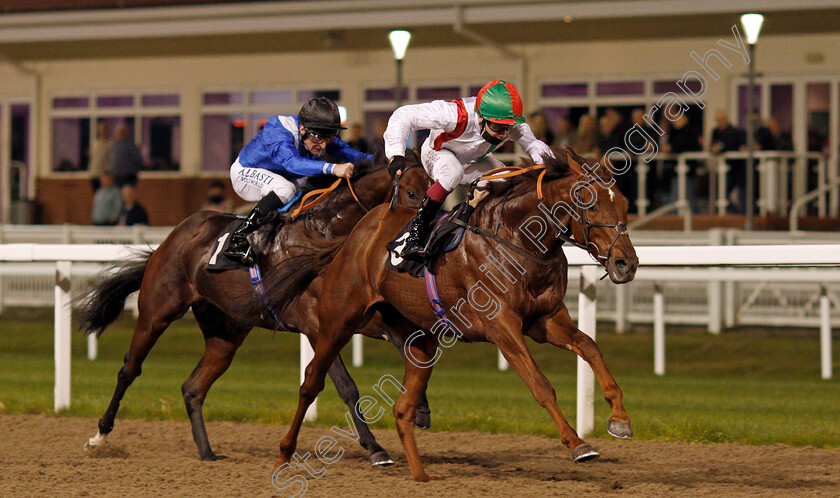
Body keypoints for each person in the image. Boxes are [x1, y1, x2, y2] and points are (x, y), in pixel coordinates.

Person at [384, 79, 552, 261]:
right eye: (497, 127)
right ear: (480, 117)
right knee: (453, 173)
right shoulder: (454, 114)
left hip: (474, 160)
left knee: (505, 178)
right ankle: (415, 234)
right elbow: (403, 115)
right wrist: (396, 154)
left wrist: (548, 168)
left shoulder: (511, 123)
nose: (504, 134)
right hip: (438, 152)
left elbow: (534, 145)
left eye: (507, 128)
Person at [224, 97, 373, 265]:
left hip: (283, 175)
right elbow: (292, 163)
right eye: (318, 138)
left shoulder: (316, 132)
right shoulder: (278, 130)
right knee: (286, 189)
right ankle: (239, 238)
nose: (323, 146)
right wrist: (332, 167)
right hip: (245, 173)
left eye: (328, 139)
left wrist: (385, 161)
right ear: (302, 129)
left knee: (324, 181)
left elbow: (354, 155)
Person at [111, 123, 143, 187]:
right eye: (118, 133)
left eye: (122, 132)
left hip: (128, 175)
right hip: (117, 176)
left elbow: (138, 159)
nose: (120, 134)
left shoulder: (130, 145)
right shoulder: (115, 145)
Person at [89, 121, 113, 192]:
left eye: (104, 130)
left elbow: (111, 159)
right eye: (101, 130)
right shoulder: (95, 143)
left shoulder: (111, 144)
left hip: (105, 176)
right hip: (95, 174)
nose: (103, 132)